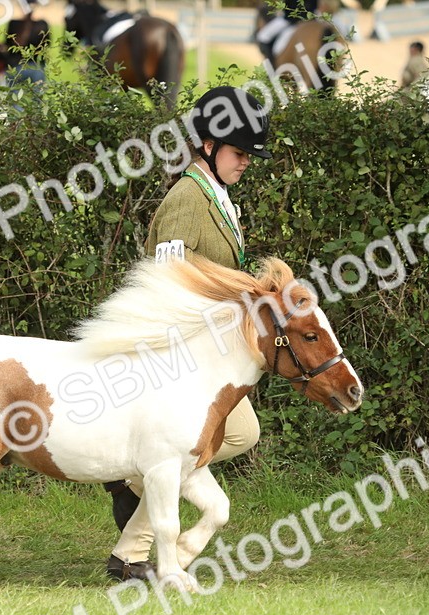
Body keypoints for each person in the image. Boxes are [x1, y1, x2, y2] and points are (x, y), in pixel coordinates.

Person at [103, 86, 271, 582]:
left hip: (208, 355)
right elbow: (164, 284)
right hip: (181, 356)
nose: (246, 164)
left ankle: (131, 501)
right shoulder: (186, 199)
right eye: (240, 153)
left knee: (239, 434)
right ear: (207, 145)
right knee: (233, 435)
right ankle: (133, 492)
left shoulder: (217, 196)